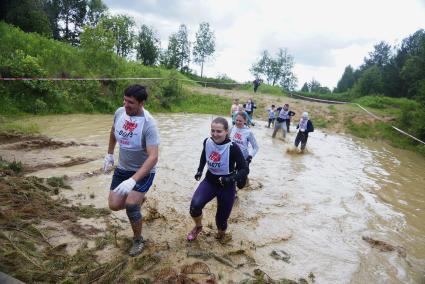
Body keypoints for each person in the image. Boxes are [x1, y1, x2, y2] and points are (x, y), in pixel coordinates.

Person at [103, 84, 159, 257]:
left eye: (131, 103)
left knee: (131, 205)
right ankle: (140, 198)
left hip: (143, 171)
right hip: (122, 168)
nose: (126, 105)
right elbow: (113, 131)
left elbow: (153, 157)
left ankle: (138, 240)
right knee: (114, 205)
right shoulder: (120, 112)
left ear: (141, 103)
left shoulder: (149, 124)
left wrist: (133, 180)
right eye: (125, 100)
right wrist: (110, 154)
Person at [187, 117, 248, 241]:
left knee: (221, 220)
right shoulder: (207, 141)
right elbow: (204, 155)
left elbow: (244, 169)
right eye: (212, 130)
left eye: (219, 131)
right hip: (210, 181)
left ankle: (221, 236)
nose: (215, 134)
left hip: (227, 186)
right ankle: (198, 227)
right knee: (195, 207)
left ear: (226, 132)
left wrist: (230, 179)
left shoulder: (233, 147)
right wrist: (199, 170)